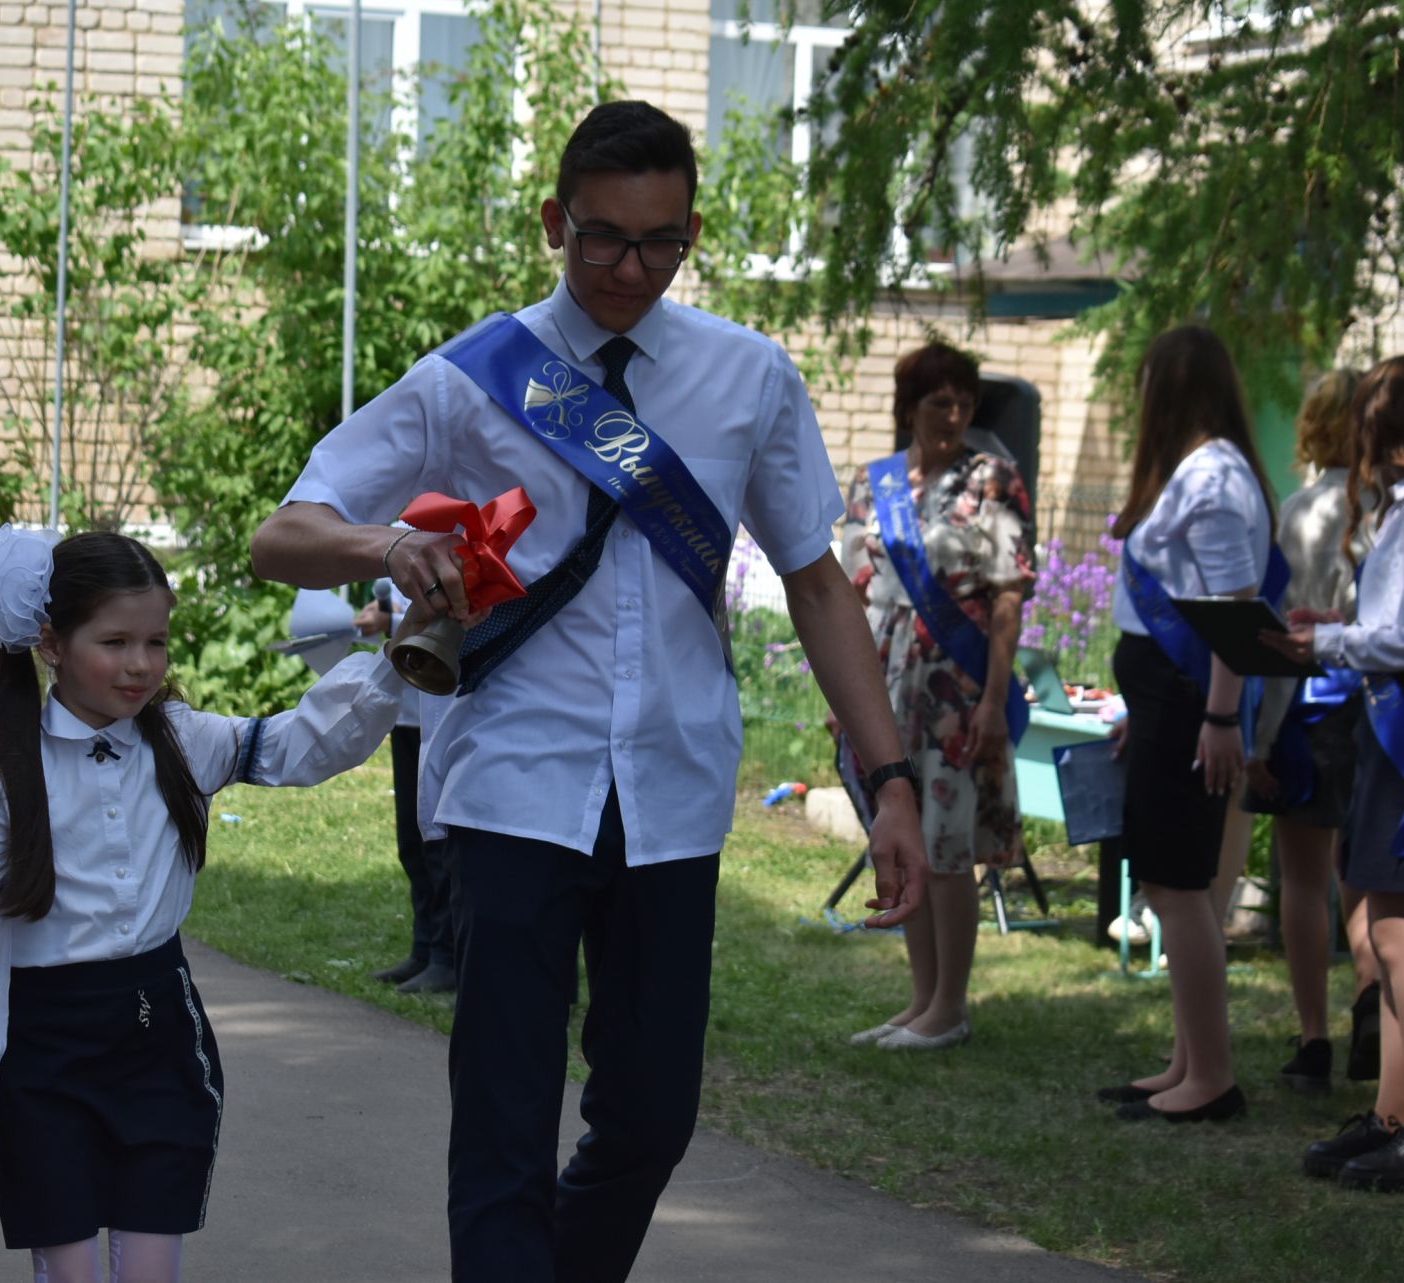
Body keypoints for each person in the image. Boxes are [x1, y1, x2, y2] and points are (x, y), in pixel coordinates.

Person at [250, 100, 929, 1282]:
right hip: (517, 780)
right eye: (603, 238)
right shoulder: (478, 375)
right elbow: (282, 535)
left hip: (672, 784)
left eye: (660, 243)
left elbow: (820, 587)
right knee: (505, 1113)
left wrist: (890, 779)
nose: (629, 268)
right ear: (556, 222)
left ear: (693, 233)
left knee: (653, 1112)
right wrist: (383, 549)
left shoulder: (746, 377)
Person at [0, 528, 412, 1281]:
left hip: (157, 1035)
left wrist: (396, 665)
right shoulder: (1, 781)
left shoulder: (183, 739)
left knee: (151, 1266)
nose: (141, 664)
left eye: (157, 640)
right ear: (49, 640)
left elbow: (295, 747)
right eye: (114, 641)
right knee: (73, 1268)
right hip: (41, 1052)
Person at [1265, 356, 1404, 1192]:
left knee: (1397, 934)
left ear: (1385, 427)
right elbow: (1401, 622)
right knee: (1386, 923)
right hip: (1392, 721)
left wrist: (1326, 643)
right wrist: (1341, 625)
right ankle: (1393, 1113)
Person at [1098, 325, 1274, 1124]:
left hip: (1192, 703)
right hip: (1166, 704)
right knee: (1172, 883)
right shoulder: (1198, 471)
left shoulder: (1212, 478)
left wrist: (1219, 716)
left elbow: (1234, 613)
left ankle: (1213, 1077)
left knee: (1177, 886)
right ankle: (1188, 1059)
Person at [838, 342, 1036, 1051]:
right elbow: (852, 593)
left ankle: (950, 1007)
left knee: (947, 848)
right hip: (886, 686)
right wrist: (843, 695)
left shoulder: (993, 480)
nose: (952, 416)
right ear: (908, 407)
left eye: (963, 403)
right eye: (937, 402)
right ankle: (920, 1001)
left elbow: (1009, 594)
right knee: (904, 843)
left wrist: (991, 700)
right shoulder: (877, 484)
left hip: (957, 689)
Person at [1245, 368, 1382, 1092]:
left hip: (1309, 704)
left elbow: (1279, 638)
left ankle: (1314, 1038)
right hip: (1377, 708)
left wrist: (1259, 741)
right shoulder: (1386, 510)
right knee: (1360, 869)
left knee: (1302, 878)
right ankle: (1368, 988)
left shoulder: (1299, 511)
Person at [356, 584, 459, 994]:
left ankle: (448, 956)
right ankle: (425, 946)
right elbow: (391, 600)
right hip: (409, 712)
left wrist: (391, 620)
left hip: (450, 706)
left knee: (442, 843)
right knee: (412, 840)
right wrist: (380, 613)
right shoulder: (398, 533)